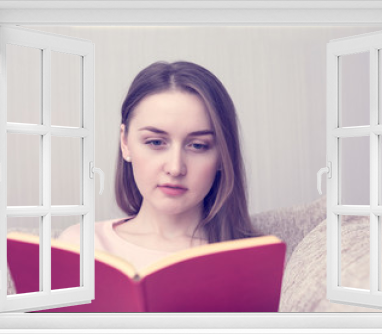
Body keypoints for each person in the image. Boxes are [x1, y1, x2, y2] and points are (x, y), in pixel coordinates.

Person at [59, 61, 259, 270]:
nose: (175, 168)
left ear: (222, 156)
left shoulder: (250, 259)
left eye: (198, 146)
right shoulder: (79, 246)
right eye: (155, 142)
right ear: (125, 143)